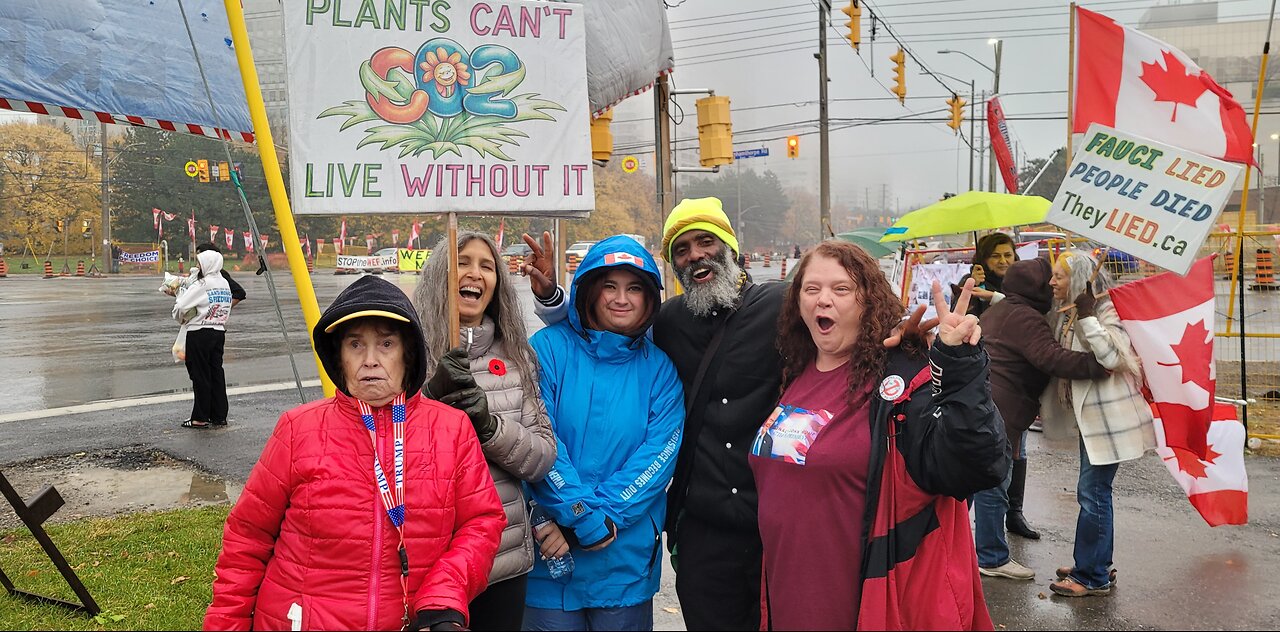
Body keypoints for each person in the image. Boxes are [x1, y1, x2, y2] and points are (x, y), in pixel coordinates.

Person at [522, 197, 931, 631]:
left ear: (730, 249)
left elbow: (840, 319)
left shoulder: (781, 307)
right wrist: (552, 297)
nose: (695, 255)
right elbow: (604, 323)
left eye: (705, 242)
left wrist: (899, 334)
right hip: (704, 530)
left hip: (774, 523)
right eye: (681, 249)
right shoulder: (669, 321)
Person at [204, 275, 505, 631]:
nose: (371, 360)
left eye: (387, 344)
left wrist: (444, 592)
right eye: (356, 345)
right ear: (338, 357)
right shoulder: (297, 429)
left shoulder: (452, 430)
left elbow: (482, 523)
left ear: (409, 354)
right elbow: (248, 537)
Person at [753, 240, 1007, 630]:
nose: (823, 300)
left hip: (869, 600)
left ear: (868, 300)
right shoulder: (792, 371)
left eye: (841, 289)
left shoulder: (900, 380)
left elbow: (977, 465)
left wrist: (959, 365)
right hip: (788, 595)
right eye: (811, 288)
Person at [522, 236, 684, 631]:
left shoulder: (660, 369)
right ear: (590, 292)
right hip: (549, 555)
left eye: (634, 288)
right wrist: (577, 515)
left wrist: (601, 519)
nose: (621, 299)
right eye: (610, 286)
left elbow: (660, 453)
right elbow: (535, 436)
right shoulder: (546, 349)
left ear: (650, 299)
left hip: (622, 561)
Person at [413, 232, 557, 630]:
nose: (474, 273)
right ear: (440, 273)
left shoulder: (516, 357)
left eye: (486, 265)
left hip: (502, 560)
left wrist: (489, 427)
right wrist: (427, 398)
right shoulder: (407, 352)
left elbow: (543, 456)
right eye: (462, 261)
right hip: (426, 561)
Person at [974, 258, 1109, 581]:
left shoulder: (1004, 309)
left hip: (987, 404)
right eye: (1048, 279)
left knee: (977, 480)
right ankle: (991, 557)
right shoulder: (1025, 317)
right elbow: (1050, 357)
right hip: (1001, 408)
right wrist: (1097, 365)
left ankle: (950, 546)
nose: (1051, 284)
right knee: (993, 483)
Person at [1042, 250, 1155, 597]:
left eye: (1059, 276)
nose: (1052, 282)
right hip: (1092, 422)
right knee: (1094, 493)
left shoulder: (1106, 309)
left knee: (1093, 495)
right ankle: (1096, 564)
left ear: (1076, 279)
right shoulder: (1075, 310)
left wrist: (1089, 316)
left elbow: (1112, 358)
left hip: (1108, 422)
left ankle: (1090, 576)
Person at [953, 233, 1038, 540]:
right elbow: (958, 323)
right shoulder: (970, 287)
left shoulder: (1024, 290)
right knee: (984, 456)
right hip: (982, 381)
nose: (1004, 261)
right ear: (983, 260)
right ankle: (964, 527)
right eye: (996, 256)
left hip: (1017, 385)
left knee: (1019, 451)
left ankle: (1014, 513)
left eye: (1009, 255)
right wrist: (973, 292)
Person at [172, 249, 233, 429]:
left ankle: (200, 417)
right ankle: (219, 415)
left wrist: (180, 316)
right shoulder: (224, 283)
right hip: (219, 331)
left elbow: (181, 306)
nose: (197, 267)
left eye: (199, 263)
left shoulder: (202, 284)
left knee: (200, 375)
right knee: (216, 373)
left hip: (199, 331)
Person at [195, 243, 246, 308]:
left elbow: (240, 293)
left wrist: (223, 308)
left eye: (201, 257)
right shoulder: (201, 273)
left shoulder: (220, 275)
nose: (198, 261)